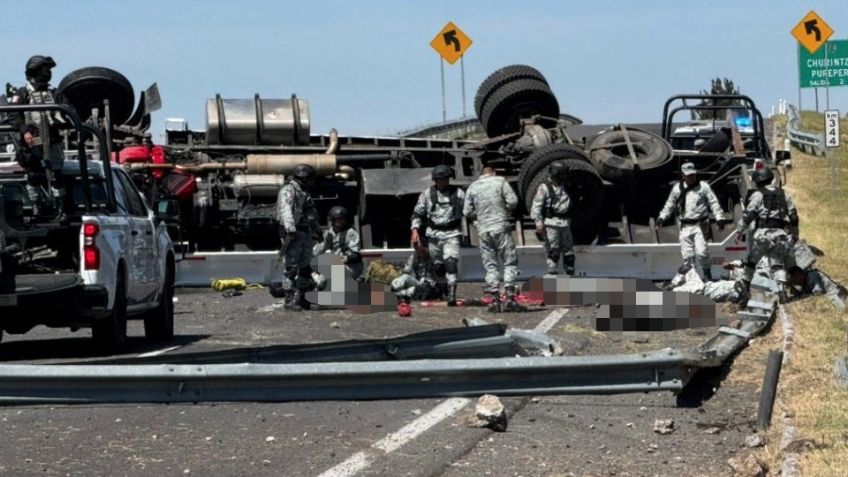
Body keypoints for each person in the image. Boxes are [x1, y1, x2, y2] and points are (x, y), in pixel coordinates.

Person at [6, 55, 68, 215]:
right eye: (44, 70)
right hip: (32, 141)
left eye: (48, 70)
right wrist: (25, 131)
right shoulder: (22, 93)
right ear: (34, 72)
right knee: (34, 175)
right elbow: (13, 115)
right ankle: (36, 204)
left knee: (57, 174)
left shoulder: (54, 93)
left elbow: (68, 110)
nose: (47, 73)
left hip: (53, 140)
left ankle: (60, 206)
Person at [463, 166, 523, 313]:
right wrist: (506, 210)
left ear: (481, 174)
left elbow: (466, 211)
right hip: (500, 226)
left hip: (483, 230)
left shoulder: (473, 186)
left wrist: (478, 221)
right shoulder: (500, 181)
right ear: (494, 172)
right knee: (509, 262)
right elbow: (513, 201)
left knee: (490, 265)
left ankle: (495, 300)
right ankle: (509, 299)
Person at [657, 162, 729, 281]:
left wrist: (719, 218)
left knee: (702, 252)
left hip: (700, 225)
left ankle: (707, 276)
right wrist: (662, 217)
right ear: (683, 176)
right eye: (688, 175)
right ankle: (692, 280)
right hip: (685, 226)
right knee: (688, 257)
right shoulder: (677, 189)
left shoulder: (703, 187)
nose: (691, 177)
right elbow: (670, 204)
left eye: (693, 175)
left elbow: (713, 202)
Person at [735, 167, 799, 296]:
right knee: (777, 263)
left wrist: (739, 230)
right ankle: (781, 291)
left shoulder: (758, 194)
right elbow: (793, 217)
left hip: (763, 235)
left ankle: (745, 289)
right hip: (780, 235)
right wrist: (794, 233)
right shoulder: (784, 194)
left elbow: (749, 215)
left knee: (751, 262)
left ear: (758, 181)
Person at [410, 165, 465, 306]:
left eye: (445, 179)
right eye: (440, 179)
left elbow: (469, 210)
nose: (443, 182)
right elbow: (417, 213)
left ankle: (452, 293)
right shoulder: (427, 194)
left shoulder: (458, 194)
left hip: (451, 233)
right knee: (438, 267)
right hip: (434, 235)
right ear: (435, 180)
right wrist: (415, 230)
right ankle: (443, 291)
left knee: (451, 263)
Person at [275, 164, 321, 310]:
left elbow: (311, 214)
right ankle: (289, 299)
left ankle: (303, 297)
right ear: (304, 177)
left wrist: (317, 229)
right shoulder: (288, 190)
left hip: (304, 232)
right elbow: (285, 209)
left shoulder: (303, 192)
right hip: (293, 232)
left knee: (306, 265)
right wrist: (290, 229)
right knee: (291, 267)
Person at [530, 161, 575, 276]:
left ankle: (570, 272)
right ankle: (552, 273)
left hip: (565, 223)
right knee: (553, 251)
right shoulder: (544, 187)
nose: (564, 177)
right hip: (551, 224)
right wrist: (538, 223)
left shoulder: (566, 186)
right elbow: (537, 205)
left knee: (568, 252)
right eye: (562, 175)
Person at [313, 206, 363, 280]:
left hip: (350, 266)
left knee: (325, 280)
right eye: (338, 220)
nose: (341, 222)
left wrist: (345, 259)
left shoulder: (351, 234)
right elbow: (318, 250)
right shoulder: (329, 234)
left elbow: (356, 255)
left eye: (342, 219)